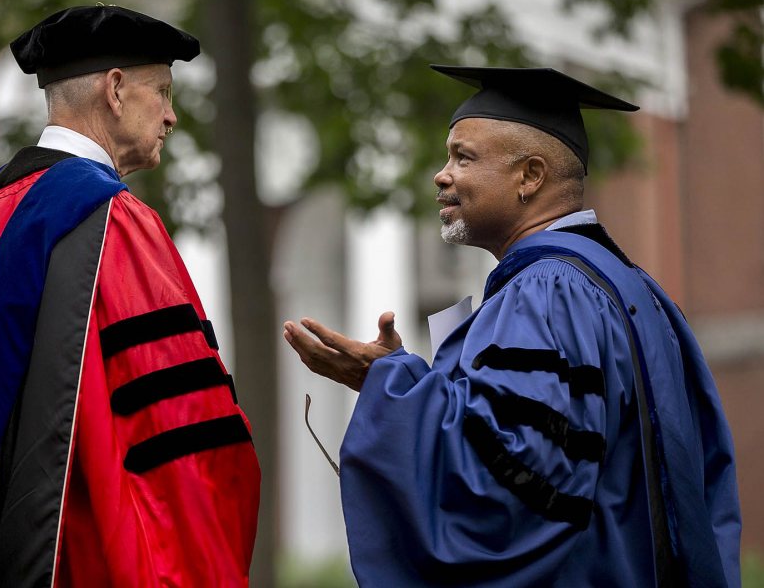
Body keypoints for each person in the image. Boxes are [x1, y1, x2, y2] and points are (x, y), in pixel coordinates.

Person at [283, 66, 741, 587]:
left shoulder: (546, 293)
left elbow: (512, 489)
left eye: (463, 157)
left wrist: (395, 387)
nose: (441, 173)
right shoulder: (636, 291)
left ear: (530, 176)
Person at [0, 5, 260, 587]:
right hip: (89, 549)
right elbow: (181, 426)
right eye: (160, 92)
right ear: (115, 90)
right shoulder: (113, 219)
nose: (171, 115)